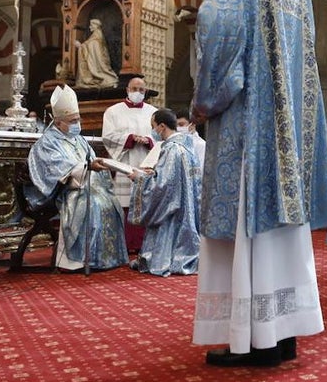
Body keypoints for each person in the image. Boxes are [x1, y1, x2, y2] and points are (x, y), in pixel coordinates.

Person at [191, 0, 327, 367]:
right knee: (279, 229)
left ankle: (250, 336)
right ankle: (283, 330)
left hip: (248, 125)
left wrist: (206, 98)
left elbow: (218, 27)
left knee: (245, 223)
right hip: (288, 129)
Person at [26, 86, 128, 272]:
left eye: (78, 119)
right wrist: (87, 167)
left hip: (86, 185)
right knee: (94, 204)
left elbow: (90, 158)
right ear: (58, 123)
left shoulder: (78, 139)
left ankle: (106, 259)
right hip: (64, 190)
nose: (77, 124)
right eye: (73, 121)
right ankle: (79, 260)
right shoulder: (48, 142)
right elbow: (54, 167)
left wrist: (98, 164)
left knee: (111, 202)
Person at [128, 108, 202, 276]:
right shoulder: (187, 147)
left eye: (153, 126)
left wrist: (139, 179)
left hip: (172, 210)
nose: (153, 131)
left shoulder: (171, 150)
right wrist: (152, 174)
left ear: (162, 126)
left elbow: (163, 186)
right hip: (186, 204)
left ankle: (167, 259)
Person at [101, 74, 158, 251]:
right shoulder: (113, 111)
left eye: (141, 90)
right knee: (125, 203)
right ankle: (125, 244)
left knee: (146, 203)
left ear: (145, 91)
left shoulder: (153, 112)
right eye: (134, 89)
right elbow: (108, 137)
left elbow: (160, 135)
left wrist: (149, 141)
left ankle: (145, 244)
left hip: (146, 162)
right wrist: (130, 139)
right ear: (127, 90)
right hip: (124, 164)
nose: (138, 92)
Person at [75, 18, 118, 88]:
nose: (89, 27)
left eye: (91, 25)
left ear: (96, 26)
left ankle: (102, 77)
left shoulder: (95, 40)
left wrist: (80, 46)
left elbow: (92, 49)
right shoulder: (95, 37)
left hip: (98, 65)